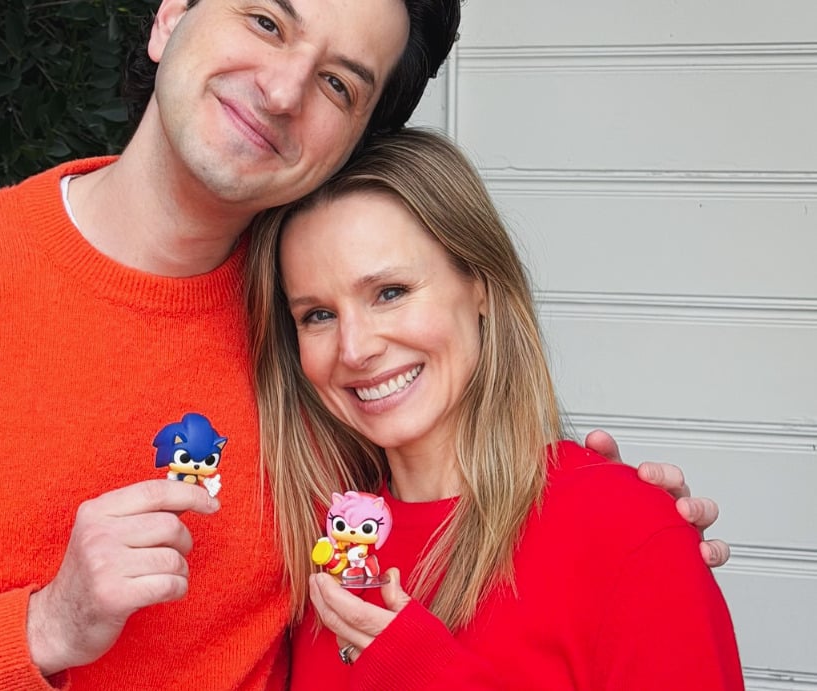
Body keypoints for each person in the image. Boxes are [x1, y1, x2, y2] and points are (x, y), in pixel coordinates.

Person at [0, 1, 723, 688]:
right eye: (265, 20)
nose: (285, 87)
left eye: (338, 82)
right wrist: (40, 626)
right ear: (170, 16)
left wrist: (627, 535)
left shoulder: (324, 358)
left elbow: (469, 512)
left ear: (350, 143)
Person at [246, 128, 744, 689]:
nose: (355, 349)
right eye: (317, 315)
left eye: (390, 292)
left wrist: (427, 674)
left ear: (480, 285)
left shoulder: (625, 528)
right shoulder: (325, 548)